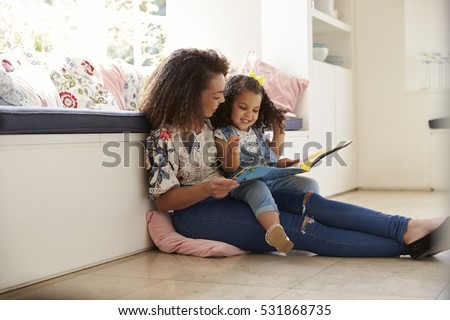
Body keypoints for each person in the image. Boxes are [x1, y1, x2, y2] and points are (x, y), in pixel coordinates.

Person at [140, 48, 450, 259]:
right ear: (189, 95)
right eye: (216, 95)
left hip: (234, 193)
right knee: (300, 229)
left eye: (223, 94)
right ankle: (407, 246)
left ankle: (408, 227)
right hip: (198, 214)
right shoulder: (162, 138)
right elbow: (164, 199)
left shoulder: (212, 124)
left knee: (312, 203)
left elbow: (242, 155)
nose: (222, 101)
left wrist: (274, 165)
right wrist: (207, 188)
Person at [210, 74, 318, 253]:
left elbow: (272, 157)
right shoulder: (222, 133)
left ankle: (309, 219)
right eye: (243, 107)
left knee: (310, 184)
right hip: (243, 183)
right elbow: (229, 168)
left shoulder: (256, 132)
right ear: (228, 105)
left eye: (255, 110)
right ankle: (275, 231)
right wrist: (233, 151)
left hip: (271, 179)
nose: (249, 115)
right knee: (258, 189)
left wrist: (280, 138)